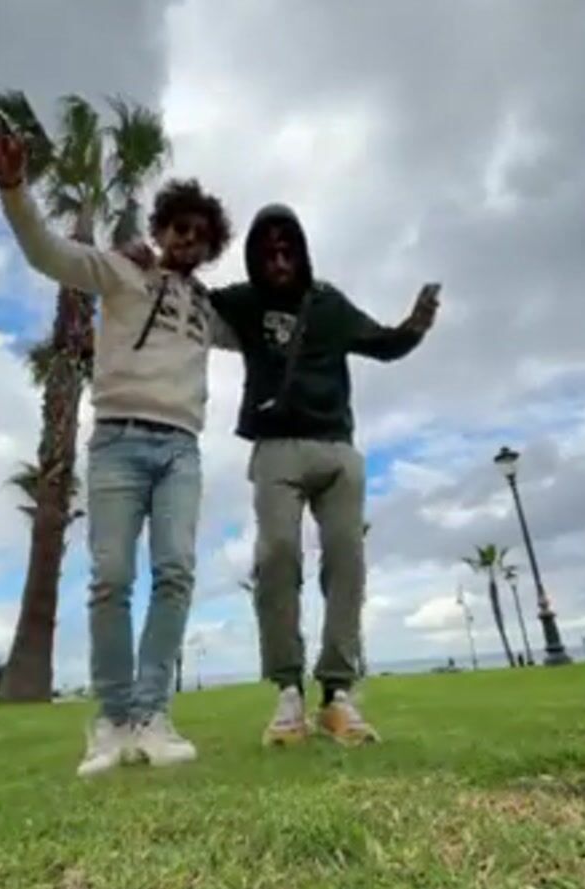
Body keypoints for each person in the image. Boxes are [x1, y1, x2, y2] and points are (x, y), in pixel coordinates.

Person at [124, 205, 439, 747]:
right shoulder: (244, 302)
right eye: (267, 252)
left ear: (302, 252)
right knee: (276, 557)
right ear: (254, 258)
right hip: (276, 452)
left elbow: (385, 345)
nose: (279, 261)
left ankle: (337, 694)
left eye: (287, 250)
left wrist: (417, 323)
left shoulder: (329, 303)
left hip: (337, 449)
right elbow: (187, 295)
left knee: (347, 561)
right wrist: (149, 262)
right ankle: (288, 692)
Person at [0, 134, 236, 776]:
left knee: (175, 572)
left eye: (200, 236)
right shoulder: (122, 272)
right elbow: (48, 253)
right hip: (118, 442)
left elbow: (266, 325)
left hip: (181, 450)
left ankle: (153, 717)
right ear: (161, 228)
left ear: (210, 247)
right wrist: (12, 190)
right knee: (112, 578)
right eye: (179, 228)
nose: (187, 240)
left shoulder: (209, 310)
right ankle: (113, 723)